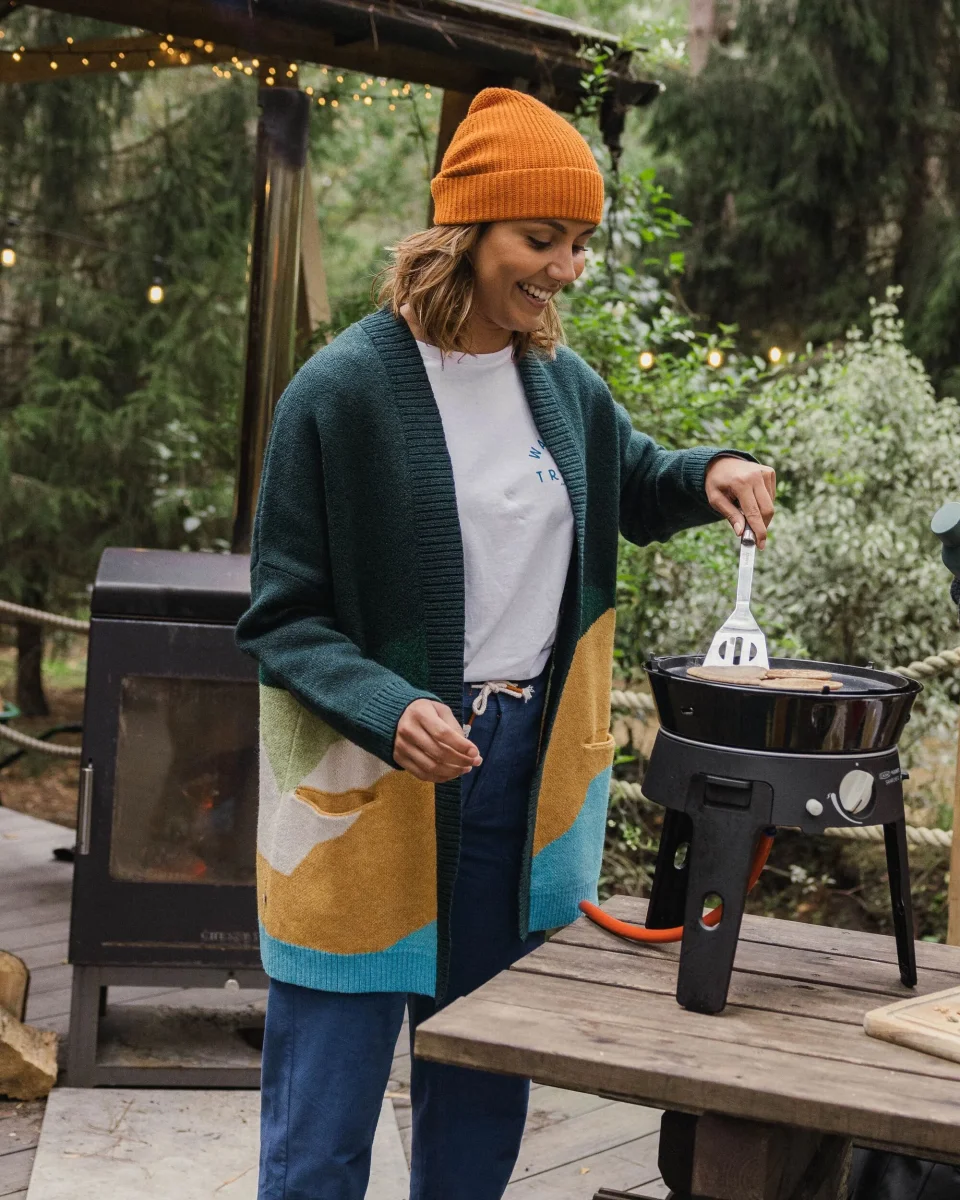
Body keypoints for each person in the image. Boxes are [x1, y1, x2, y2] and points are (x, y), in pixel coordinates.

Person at [236, 87, 776, 1200]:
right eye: (541, 239)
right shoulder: (339, 393)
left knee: (482, 1088)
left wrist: (710, 471)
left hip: (519, 776)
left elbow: (633, 479)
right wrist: (388, 706)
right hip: (367, 784)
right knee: (323, 1118)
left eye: (579, 242)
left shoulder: (562, 386)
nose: (565, 268)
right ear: (466, 231)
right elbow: (282, 615)